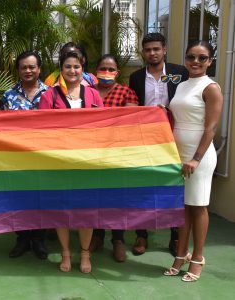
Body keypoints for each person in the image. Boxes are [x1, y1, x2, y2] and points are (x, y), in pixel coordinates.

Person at [39, 46, 103, 273]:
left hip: (87, 162)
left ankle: (85, 254)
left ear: (82, 68)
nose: (73, 70)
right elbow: (41, 128)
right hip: (59, 162)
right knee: (62, 209)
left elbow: (102, 126)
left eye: (77, 66)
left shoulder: (94, 94)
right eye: (68, 66)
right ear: (61, 69)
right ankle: (66, 252)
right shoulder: (49, 95)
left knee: (87, 210)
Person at [163, 41, 222, 282]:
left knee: (198, 206)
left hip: (200, 155)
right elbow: (177, 115)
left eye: (202, 58)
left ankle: (197, 258)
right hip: (179, 152)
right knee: (183, 208)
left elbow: (211, 127)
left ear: (210, 61)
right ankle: (180, 255)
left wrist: (196, 159)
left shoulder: (211, 87)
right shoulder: (183, 84)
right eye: (191, 57)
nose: (195, 62)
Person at [129, 32, 189, 256]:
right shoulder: (136, 77)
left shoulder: (178, 73)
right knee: (142, 184)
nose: (152, 53)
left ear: (164, 49)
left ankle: (175, 238)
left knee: (173, 184)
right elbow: (133, 107)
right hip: (144, 139)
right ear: (143, 52)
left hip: (173, 138)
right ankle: (141, 235)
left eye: (156, 49)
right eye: (147, 50)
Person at [89, 54, 139, 262]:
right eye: (103, 68)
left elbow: (131, 119)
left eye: (111, 69)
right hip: (92, 152)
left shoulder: (126, 92)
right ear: (96, 71)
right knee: (97, 196)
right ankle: (98, 236)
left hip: (118, 152)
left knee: (118, 197)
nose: (107, 73)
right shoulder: (89, 93)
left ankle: (118, 240)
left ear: (117, 73)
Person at [0, 51, 49, 259]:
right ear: (18, 70)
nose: (28, 71)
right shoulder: (9, 96)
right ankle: (21, 239)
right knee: (18, 198)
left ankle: (38, 239)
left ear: (39, 69)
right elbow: (1, 126)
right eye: (23, 67)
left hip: (44, 156)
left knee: (41, 198)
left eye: (32, 67)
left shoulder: (51, 94)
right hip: (17, 156)